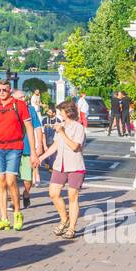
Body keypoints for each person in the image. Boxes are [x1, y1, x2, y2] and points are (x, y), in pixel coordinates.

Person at [0, 79, 33, 231]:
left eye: (4, 90)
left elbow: (29, 128)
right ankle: (4, 218)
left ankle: (17, 213)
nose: (2, 93)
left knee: (11, 180)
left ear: (10, 90)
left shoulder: (19, 105)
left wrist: (34, 152)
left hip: (15, 146)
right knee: (0, 181)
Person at [36, 99, 86, 240]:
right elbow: (55, 145)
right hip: (60, 165)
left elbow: (75, 146)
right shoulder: (60, 126)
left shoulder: (78, 127)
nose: (60, 114)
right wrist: (40, 158)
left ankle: (72, 228)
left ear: (68, 112)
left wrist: (63, 132)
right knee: (53, 193)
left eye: (61, 112)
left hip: (75, 165)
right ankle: (64, 219)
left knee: (72, 197)